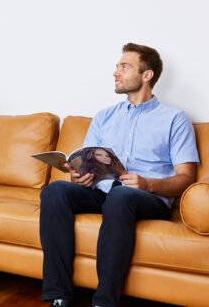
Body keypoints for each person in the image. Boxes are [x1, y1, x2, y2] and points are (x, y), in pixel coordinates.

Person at [40, 43, 199, 307]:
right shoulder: (105, 116)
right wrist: (80, 176)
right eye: (117, 66)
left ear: (146, 75)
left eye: (124, 67)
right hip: (104, 192)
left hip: (146, 197)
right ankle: (58, 295)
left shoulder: (175, 119)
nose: (116, 72)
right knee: (55, 191)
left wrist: (148, 183)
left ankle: (104, 302)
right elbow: (87, 164)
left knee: (121, 197)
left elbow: (186, 178)